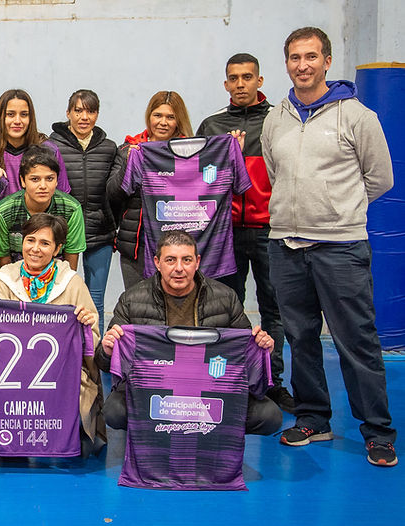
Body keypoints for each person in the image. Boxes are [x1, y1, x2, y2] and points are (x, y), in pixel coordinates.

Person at [262, 27, 397, 466]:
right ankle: (313, 418)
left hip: (340, 247)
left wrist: (339, 210)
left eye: (311, 56)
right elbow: (276, 172)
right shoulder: (276, 117)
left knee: (355, 341)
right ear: (286, 63)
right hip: (285, 245)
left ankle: (377, 430)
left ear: (326, 61)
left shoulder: (358, 115)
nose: (302, 65)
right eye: (294, 57)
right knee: (300, 337)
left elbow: (380, 179)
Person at [96, 230, 282, 437]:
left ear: (197, 262)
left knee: (269, 415)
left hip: (211, 390)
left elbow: (246, 357)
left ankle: (210, 437)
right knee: (114, 411)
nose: (179, 268)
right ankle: (157, 438)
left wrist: (264, 348)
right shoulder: (132, 299)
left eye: (186, 260)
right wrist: (106, 350)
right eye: (170, 260)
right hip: (153, 391)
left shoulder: (225, 297)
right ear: (157, 262)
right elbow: (104, 362)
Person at [195, 53, 294, 413]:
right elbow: (201, 181)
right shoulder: (212, 124)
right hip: (224, 234)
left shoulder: (280, 121)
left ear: (260, 81)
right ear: (225, 84)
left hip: (271, 229)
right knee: (223, 309)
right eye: (233, 78)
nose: (240, 84)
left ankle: (273, 383)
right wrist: (226, 158)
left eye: (247, 77)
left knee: (275, 311)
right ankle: (229, 379)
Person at [0, 213, 104, 450]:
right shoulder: (5, 279)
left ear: (58, 249)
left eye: (45, 243)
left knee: (79, 433)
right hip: (11, 374)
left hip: (61, 373)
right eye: (30, 240)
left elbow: (94, 338)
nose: (35, 249)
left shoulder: (72, 282)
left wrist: (86, 325)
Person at [48, 89, 118, 335]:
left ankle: (94, 357)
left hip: (101, 235)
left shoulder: (110, 148)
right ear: (68, 113)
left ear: (97, 114)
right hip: (63, 236)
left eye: (90, 111)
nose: (84, 116)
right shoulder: (51, 145)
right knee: (62, 300)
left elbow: (117, 190)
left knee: (95, 301)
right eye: (78, 110)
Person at [108, 90, 192, 290]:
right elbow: (112, 194)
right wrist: (129, 166)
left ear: (178, 120)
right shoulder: (129, 149)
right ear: (149, 117)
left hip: (176, 247)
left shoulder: (191, 155)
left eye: (170, 117)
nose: (163, 122)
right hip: (136, 246)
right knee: (137, 306)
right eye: (158, 115)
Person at [0, 146, 85, 271]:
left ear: (57, 180)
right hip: (15, 277)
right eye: (35, 179)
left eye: (49, 179)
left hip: (56, 277)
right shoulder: (4, 211)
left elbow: (70, 261)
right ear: (23, 181)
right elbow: (3, 259)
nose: (43, 186)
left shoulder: (71, 209)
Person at [0, 89, 69, 195]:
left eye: (24, 114)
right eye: (10, 114)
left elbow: (63, 194)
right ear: (0, 117)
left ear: (31, 118)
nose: (17, 121)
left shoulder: (49, 149)